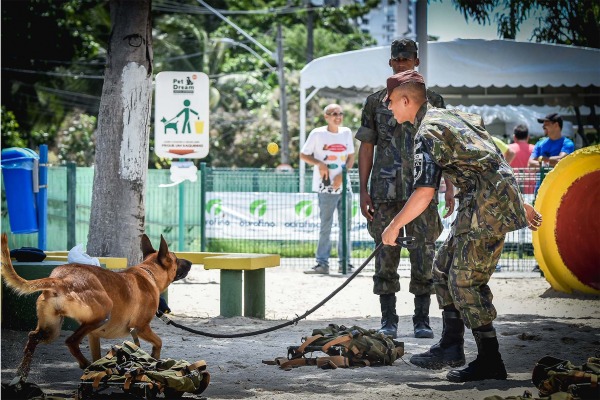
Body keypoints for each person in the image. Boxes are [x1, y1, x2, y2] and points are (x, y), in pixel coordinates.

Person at [381, 70, 542, 382]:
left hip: (484, 206)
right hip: (481, 201)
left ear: (405, 100)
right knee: (442, 269)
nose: (388, 107)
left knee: (465, 281)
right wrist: (513, 200)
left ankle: (491, 361)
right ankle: (452, 346)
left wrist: (393, 226)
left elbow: (425, 192)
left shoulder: (426, 133)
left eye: (389, 102)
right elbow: (490, 155)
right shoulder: (454, 116)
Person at [355, 38, 454, 339]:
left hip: (422, 190)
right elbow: (366, 147)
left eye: (406, 59)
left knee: (424, 255)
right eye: (397, 60)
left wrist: (449, 187)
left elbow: (444, 146)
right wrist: (362, 189)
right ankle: (389, 320)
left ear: (416, 61)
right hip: (384, 192)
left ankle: (422, 320)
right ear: (390, 63)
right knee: (386, 254)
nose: (402, 63)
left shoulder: (433, 101)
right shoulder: (376, 101)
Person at [302, 103, 355, 275]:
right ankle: (322, 263)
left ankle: (345, 263)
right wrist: (319, 163)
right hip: (325, 188)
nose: (337, 116)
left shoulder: (346, 132)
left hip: (344, 188)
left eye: (340, 113)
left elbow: (351, 157)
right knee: (326, 226)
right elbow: (304, 155)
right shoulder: (317, 134)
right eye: (333, 113)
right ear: (326, 116)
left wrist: (342, 175)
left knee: (345, 227)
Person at [508, 124, 535, 195]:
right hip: (531, 188)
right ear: (528, 137)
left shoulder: (508, 149)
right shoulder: (535, 149)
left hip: (513, 188)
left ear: (514, 137)